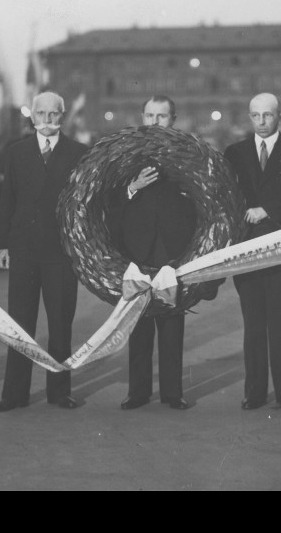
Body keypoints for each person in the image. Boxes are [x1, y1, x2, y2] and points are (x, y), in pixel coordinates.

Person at [0, 91, 88, 413]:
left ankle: (59, 392)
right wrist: (3, 244)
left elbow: (85, 204)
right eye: (41, 113)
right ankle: (14, 394)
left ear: (62, 116)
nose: (47, 119)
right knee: (20, 324)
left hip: (61, 252)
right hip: (24, 250)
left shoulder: (78, 152)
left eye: (53, 113)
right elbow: (7, 199)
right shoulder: (17, 152)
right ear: (31, 117)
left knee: (60, 324)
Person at [224, 93, 281, 411]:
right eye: (255, 115)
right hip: (246, 251)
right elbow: (226, 200)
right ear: (249, 118)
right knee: (253, 326)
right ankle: (254, 392)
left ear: (280, 117)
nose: (261, 122)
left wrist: (268, 210)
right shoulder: (233, 154)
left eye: (268, 115)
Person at [111, 96, 196, 411]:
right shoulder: (125, 154)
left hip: (173, 251)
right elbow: (110, 200)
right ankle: (138, 392)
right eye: (150, 115)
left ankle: (172, 392)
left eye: (162, 116)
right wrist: (133, 187)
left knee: (172, 324)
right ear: (142, 117)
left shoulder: (188, 153)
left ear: (173, 118)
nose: (155, 121)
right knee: (139, 326)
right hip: (138, 250)